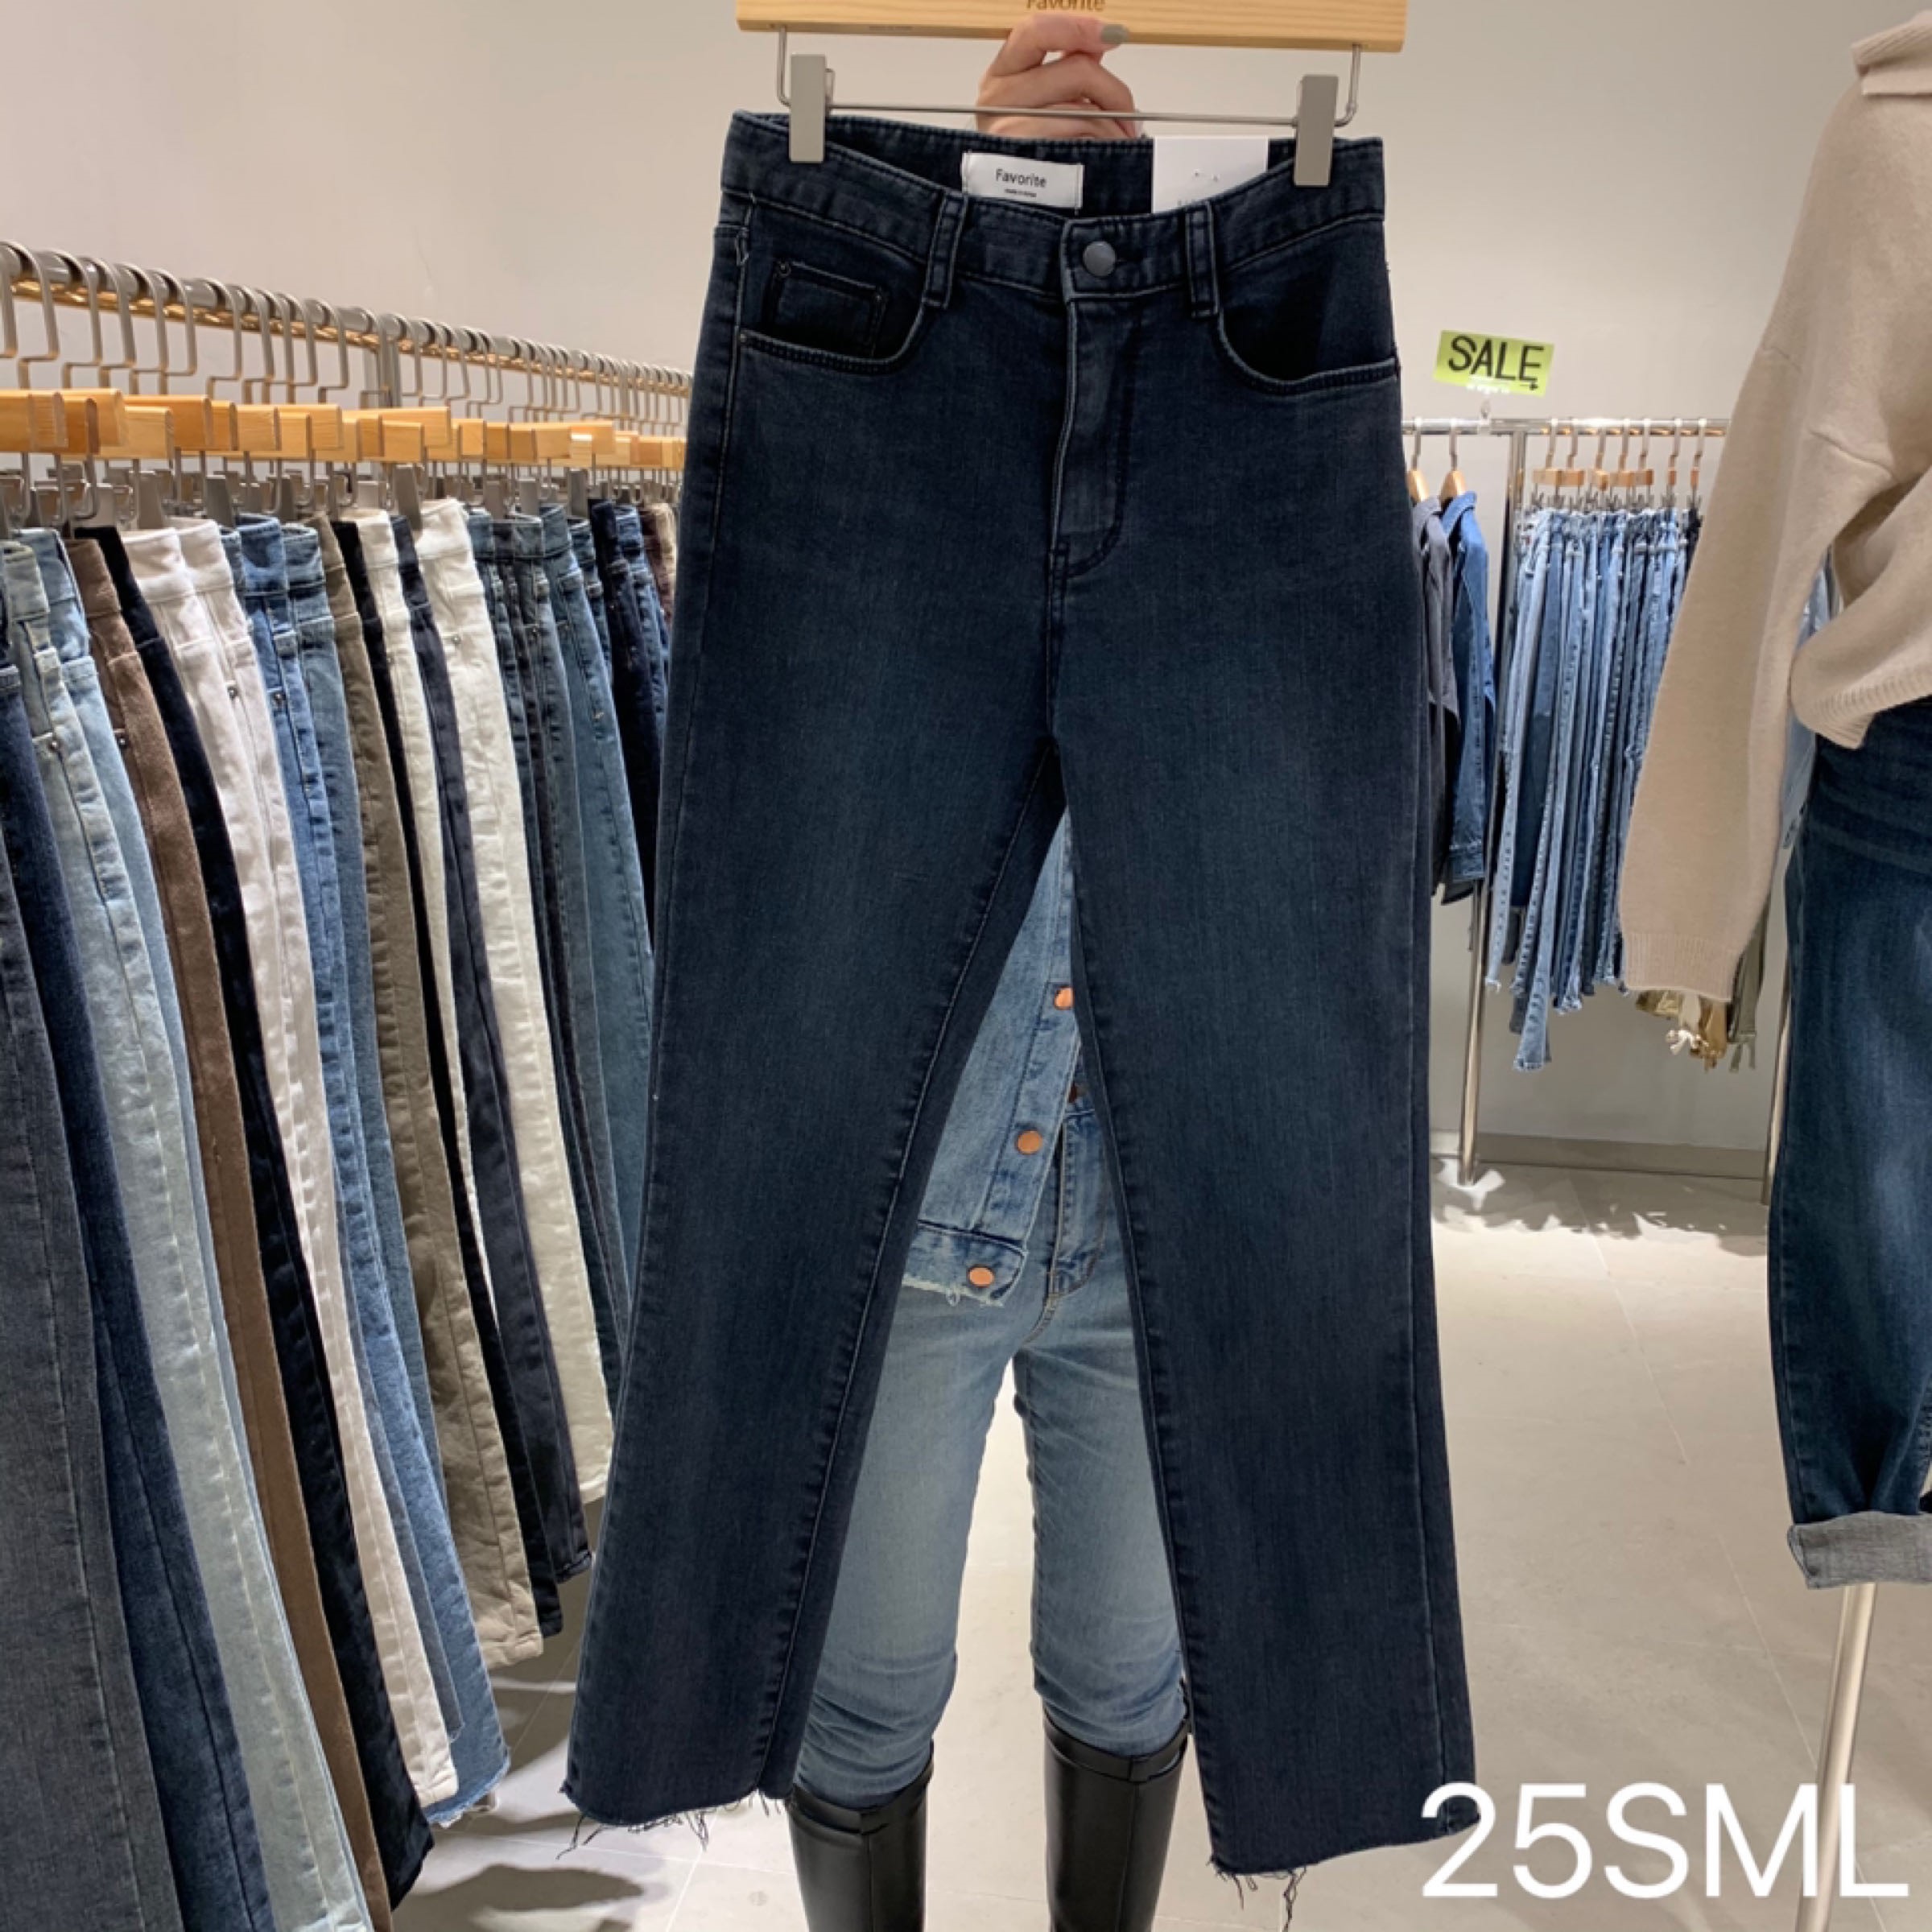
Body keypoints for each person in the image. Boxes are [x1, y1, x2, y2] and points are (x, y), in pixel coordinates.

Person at [779, 30, 1183, 1932]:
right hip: (920, 1205)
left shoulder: (1215, 432)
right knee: (861, 1697)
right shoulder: (870, 463)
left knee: (1134, 1679)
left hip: (1149, 1214)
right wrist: (979, 201)